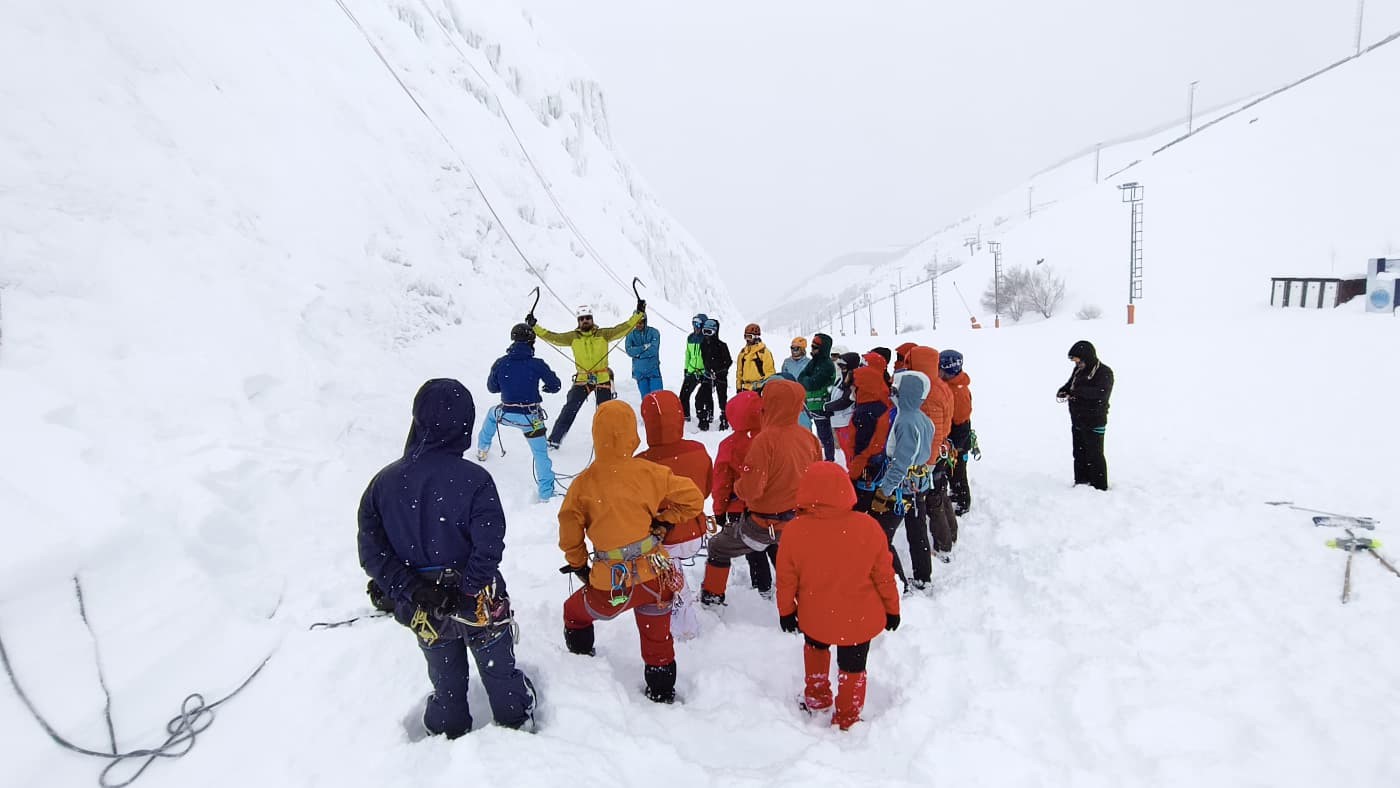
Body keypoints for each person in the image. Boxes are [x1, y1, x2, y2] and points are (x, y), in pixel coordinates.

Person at [358, 379, 535, 738]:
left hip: (424, 607)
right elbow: (489, 547)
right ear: (465, 424)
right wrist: (468, 590)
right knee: (497, 668)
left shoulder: (382, 484)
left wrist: (416, 590)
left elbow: (373, 554)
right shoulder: (475, 480)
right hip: (479, 602)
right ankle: (514, 716)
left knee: (444, 671)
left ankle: (448, 724)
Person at [558, 400, 705, 704]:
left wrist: (579, 565)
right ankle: (662, 691)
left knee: (574, 613)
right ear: (632, 435)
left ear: (596, 435)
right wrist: (664, 522)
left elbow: (569, 532)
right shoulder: (650, 472)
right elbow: (693, 498)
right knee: (657, 638)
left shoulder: (583, 484)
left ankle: (579, 663)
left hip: (611, 585)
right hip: (656, 577)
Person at [777, 462, 900, 730]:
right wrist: (892, 609)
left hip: (816, 615)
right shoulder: (868, 527)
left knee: (815, 651)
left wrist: (786, 611)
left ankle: (817, 698)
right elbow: (884, 575)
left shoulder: (795, 531)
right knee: (853, 668)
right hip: (859, 619)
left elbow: (786, 579)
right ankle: (848, 717)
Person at [700, 379, 821, 605]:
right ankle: (802, 599)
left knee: (719, 547)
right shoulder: (808, 437)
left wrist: (737, 489)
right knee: (787, 557)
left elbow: (750, 490)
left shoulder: (765, 440)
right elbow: (816, 477)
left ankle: (714, 597)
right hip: (796, 518)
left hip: (763, 521)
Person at [636, 390, 712, 640]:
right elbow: (706, 490)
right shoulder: (698, 450)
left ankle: (683, 625)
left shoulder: (641, 463)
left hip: (663, 539)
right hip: (695, 530)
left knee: (669, 573)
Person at [528, 300, 645, 449]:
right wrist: (534, 327)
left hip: (602, 378)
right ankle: (554, 440)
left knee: (605, 413)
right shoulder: (572, 337)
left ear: (592, 319)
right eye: (582, 319)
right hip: (582, 380)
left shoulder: (604, 334)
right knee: (569, 408)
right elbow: (553, 337)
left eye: (587, 318)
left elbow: (624, 328)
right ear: (578, 321)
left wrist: (638, 314)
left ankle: (607, 443)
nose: (585, 321)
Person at [858, 370, 934, 591]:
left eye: (895, 390)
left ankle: (898, 583)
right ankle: (923, 577)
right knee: (918, 532)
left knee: (880, 538)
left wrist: (885, 490)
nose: (891, 393)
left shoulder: (906, 421)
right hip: (918, 485)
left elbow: (902, 461)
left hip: (901, 489)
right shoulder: (923, 419)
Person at [477, 324, 563, 502]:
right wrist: (545, 387)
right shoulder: (537, 364)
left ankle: (482, 449)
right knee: (540, 455)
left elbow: (492, 388)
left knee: (491, 414)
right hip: (531, 419)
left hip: (506, 414)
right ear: (532, 341)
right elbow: (555, 386)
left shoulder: (501, 363)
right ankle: (546, 494)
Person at [710, 391, 777, 597]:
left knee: (753, 549)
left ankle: (762, 588)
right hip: (776, 506)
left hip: (742, 508)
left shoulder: (729, 446)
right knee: (776, 546)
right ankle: (790, 586)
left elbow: (722, 482)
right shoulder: (774, 438)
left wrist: (719, 510)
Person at [907, 346, 959, 564]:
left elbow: (934, 431)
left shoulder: (928, 392)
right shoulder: (939, 385)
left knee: (932, 500)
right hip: (940, 450)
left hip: (930, 455)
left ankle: (943, 544)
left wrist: (926, 464)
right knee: (940, 492)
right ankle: (951, 533)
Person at [1057, 340, 1114, 490]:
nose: (1075, 363)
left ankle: (1099, 486)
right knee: (1079, 453)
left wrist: (1078, 392)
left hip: (1095, 420)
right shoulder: (1078, 371)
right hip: (1077, 419)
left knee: (1095, 455)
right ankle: (1081, 482)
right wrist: (1064, 390)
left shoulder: (1104, 372)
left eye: (1077, 359)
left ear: (1086, 356)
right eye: (1073, 360)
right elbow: (1070, 385)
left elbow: (1101, 393)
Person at [939, 350, 979, 514]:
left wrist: (955, 443)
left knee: (958, 472)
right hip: (955, 436)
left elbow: (960, 418)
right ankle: (956, 495)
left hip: (958, 437)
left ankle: (962, 502)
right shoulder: (952, 386)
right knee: (953, 471)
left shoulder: (958, 391)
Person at [798, 333, 839, 462]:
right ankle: (825, 460)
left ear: (822, 349)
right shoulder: (814, 362)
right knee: (821, 435)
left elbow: (812, 383)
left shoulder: (827, 365)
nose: (812, 350)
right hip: (812, 406)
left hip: (822, 407)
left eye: (815, 347)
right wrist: (807, 380)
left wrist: (807, 380)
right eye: (812, 347)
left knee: (825, 436)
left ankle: (829, 460)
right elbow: (801, 377)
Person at [825, 352, 861, 468]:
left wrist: (827, 407)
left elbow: (846, 400)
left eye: (844, 367)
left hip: (847, 422)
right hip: (838, 421)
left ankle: (852, 473)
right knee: (846, 452)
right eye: (840, 367)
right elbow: (834, 393)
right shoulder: (841, 379)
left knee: (850, 452)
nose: (842, 369)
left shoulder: (855, 381)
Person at [699, 317, 733, 431]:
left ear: (715, 331)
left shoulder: (721, 345)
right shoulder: (703, 345)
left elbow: (728, 361)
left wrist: (721, 371)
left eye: (709, 332)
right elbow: (704, 359)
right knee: (703, 396)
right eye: (705, 332)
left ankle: (724, 418)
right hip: (708, 375)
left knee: (722, 398)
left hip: (720, 376)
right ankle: (705, 417)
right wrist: (707, 370)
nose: (707, 335)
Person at [679, 314, 709, 424]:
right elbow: (688, 354)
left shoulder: (707, 338)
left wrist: (708, 370)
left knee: (704, 396)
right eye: (694, 323)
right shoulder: (690, 338)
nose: (695, 327)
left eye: (698, 324)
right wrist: (686, 369)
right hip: (692, 370)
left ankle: (707, 418)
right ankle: (685, 418)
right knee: (683, 395)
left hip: (704, 372)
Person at [625, 315, 663, 398]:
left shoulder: (654, 332)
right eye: (636, 322)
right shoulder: (630, 335)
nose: (638, 324)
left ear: (645, 322)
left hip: (654, 372)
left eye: (641, 322)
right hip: (640, 374)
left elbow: (653, 350)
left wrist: (638, 355)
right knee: (647, 400)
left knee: (658, 398)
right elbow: (629, 351)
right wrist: (644, 347)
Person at [735, 323, 776, 393]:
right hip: (745, 389)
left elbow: (770, 373)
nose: (747, 339)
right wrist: (738, 387)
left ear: (756, 337)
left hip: (759, 388)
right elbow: (739, 373)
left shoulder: (764, 352)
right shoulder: (743, 353)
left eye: (749, 337)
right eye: (745, 337)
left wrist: (762, 386)